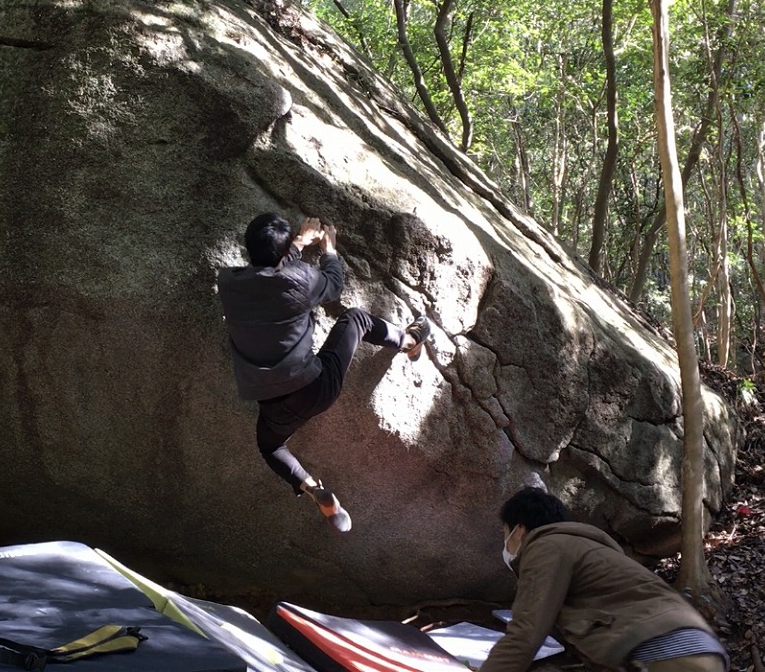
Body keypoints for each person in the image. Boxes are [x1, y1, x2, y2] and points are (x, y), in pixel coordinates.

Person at [216, 212, 432, 532]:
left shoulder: (229, 283)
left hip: (272, 404)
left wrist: (297, 244)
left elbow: (265, 272)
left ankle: (312, 488)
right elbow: (333, 285)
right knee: (356, 319)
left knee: (271, 447)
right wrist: (329, 250)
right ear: (284, 251)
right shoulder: (302, 280)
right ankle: (410, 340)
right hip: (317, 387)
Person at [480, 487, 727, 672]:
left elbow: (525, 634)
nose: (506, 543)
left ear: (520, 530)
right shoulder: (588, 549)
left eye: (505, 533)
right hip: (700, 648)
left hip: (664, 653)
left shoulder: (546, 546)